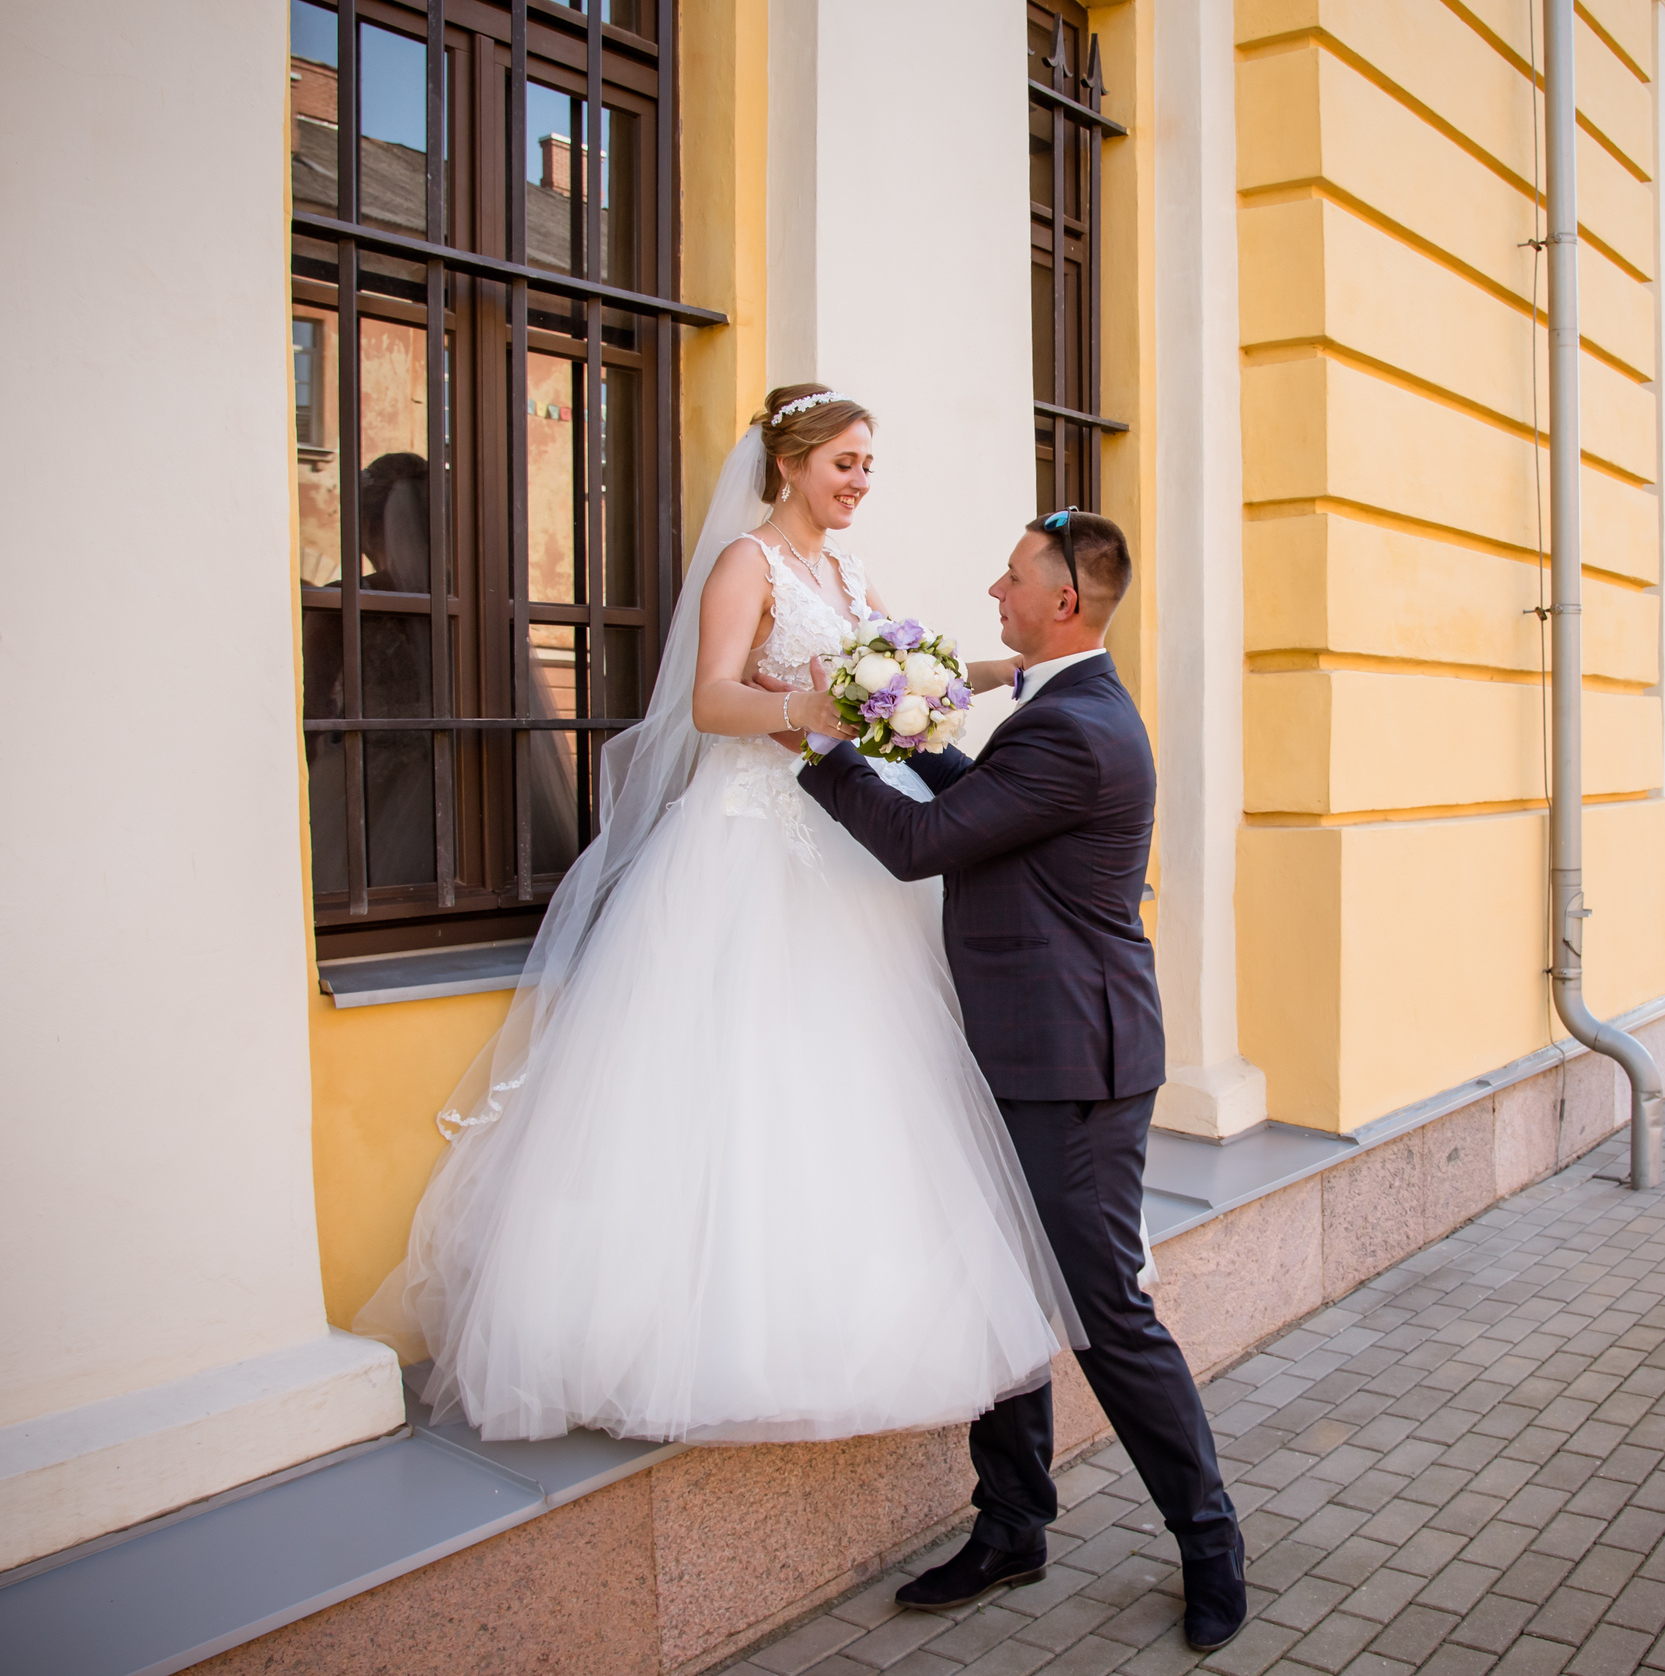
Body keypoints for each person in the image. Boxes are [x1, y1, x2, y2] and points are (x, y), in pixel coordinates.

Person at [356, 387, 1082, 1447]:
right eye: (844, 462)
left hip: (841, 845)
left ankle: (843, 1313)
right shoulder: (750, 564)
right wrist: (805, 708)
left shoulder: (845, 572)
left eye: (869, 464)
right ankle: (692, 1338)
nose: (859, 482)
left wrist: (1006, 670)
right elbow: (708, 700)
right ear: (789, 464)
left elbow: (906, 673)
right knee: (736, 1069)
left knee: (856, 1067)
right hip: (748, 840)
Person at [791, 509, 1249, 1653]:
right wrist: (891, 718)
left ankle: (1209, 1539)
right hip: (1020, 1050)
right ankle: (1012, 1524)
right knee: (999, 1290)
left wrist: (822, 746)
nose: (993, 591)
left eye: (1011, 578)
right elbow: (988, 811)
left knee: (1107, 1316)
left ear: (1061, 605)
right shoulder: (1061, 712)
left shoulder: (1077, 729)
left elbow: (924, 841)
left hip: (1071, 1070)